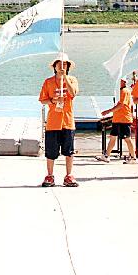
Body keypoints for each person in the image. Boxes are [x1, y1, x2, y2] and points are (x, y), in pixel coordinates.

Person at [39, 53, 80, 187]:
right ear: (55, 66)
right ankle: (50, 176)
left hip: (67, 121)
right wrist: (53, 100)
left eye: (65, 64)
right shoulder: (48, 82)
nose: (61, 66)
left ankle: (68, 175)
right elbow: (42, 100)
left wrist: (65, 78)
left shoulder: (72, 79)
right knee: (51, 152)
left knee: (69, 151)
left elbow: (73, 93)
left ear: (68, 66)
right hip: (53, 123)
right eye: (59, 64)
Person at [96, 78, 136, 163]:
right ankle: (106, 155)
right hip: (117, 119)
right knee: (113, 137)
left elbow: (121, 105)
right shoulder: (119, 92)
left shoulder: (125, 91)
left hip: (124, 119)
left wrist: (108, 111)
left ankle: (133, 157)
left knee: (127, 138)